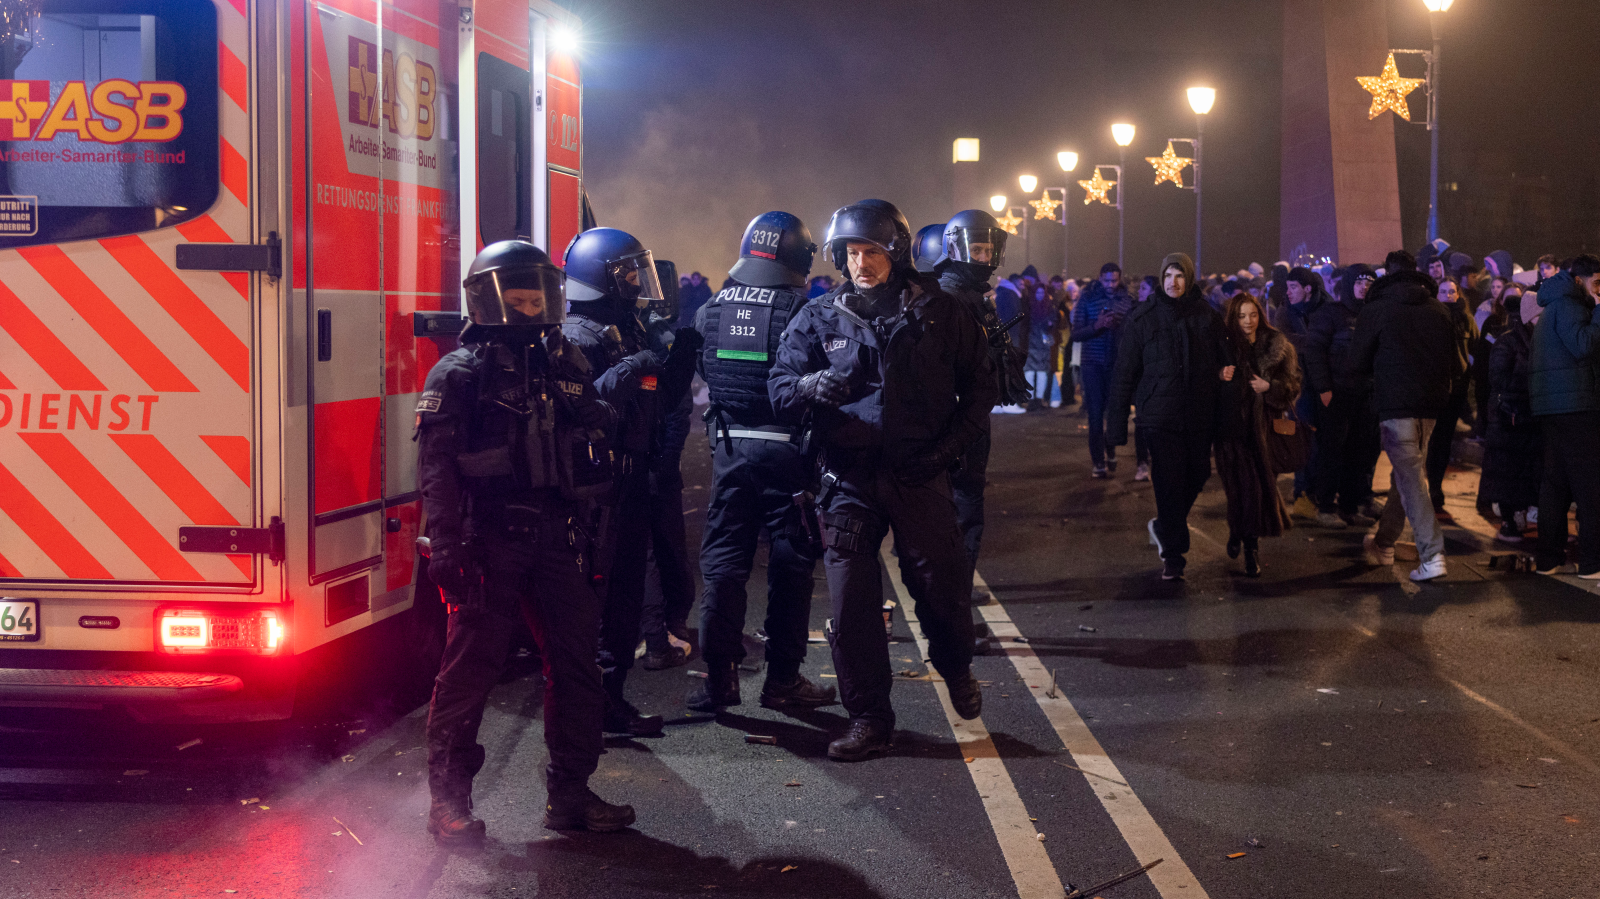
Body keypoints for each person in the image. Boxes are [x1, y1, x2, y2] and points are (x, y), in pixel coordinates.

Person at [418, 240, 634, 843]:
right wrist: (448, 547)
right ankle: (448, 804)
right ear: (489, 299)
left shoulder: (563, 363)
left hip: (556, 539)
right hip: (488, 543)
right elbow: (436, 471)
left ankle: (570, 794)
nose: (532, 306)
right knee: (468, 676)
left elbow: (596, 434)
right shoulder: (458, 375)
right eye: (518, 296)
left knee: (576, 668)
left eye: (538, 294)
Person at [770, 201, 995, 761]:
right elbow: (779, 388)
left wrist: (943, 454)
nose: (860, 263)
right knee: (851, 609)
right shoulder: (819, 316)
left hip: (919, 474)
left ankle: (955, 664)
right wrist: (813, 386)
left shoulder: (942, 313)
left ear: (895, 252)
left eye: (871, 250)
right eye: (850, 252)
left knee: (941, 589)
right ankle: (870, 717)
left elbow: (980, 394)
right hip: (848, 480)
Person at [687, 211, 837, 713]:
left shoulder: (710, 309)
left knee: (724, 564)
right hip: (789, 456)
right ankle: (783, 681)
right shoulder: (806, 310)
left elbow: (704, 373)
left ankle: (720, 681)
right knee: (791, 566)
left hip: (730, 452)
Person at [562, 227, 701, 737]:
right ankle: (587, 712)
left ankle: (612, 702)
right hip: (599, 492)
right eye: (626, 273)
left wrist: (678, 367)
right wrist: (627, 373)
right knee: (595, 607)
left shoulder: (628, 330)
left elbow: (655, 407)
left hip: (633, 481)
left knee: (624, 602)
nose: (636, 282)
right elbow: (576, 408)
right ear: (602, 278)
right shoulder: (576, 336)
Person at [1107, 253, 1231, 580]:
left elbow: (1225, 363)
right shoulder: (1142, 318)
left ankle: (1164, 526)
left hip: (1198, 414)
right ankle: (1174, 556)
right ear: (1160, 279)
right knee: (1168, 483)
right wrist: (1116, 426)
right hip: (1158, 416)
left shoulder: (1207, 316)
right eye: (1168, 276)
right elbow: (1124, 373)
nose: (1173, 283)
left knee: (1199, 473)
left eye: (1179, 276)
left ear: (1188, 279)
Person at [921, 209, 1024, 604]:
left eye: (987, 249)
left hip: (969, 425)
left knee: (963, 519)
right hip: (957, 429)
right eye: (975, 249)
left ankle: (952, 601)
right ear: (954, 249)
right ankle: (953, 612)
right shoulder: (950, 299)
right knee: (960, 521)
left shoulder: (970, 297)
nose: (983, 258)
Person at [1350, 251, 1462, 582]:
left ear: (1388, 273)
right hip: (1430, 406)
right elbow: (1457, 363)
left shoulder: (1377, 309)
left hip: (1394, 405)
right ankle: (1385, 543)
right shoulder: (1439, 309)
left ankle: (1432, 554)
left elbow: (1356, 362)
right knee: (1408, 476)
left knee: (1411, 478)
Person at [1214, 293, 1298, 576]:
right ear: (1233, 318)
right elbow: (1203, 380)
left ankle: (1250, 548)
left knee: (1254, 490)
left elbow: (1293, 384)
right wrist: (1219, 374)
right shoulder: (1222, 345)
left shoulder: (1277, 345)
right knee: (1237, 490)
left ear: (1260, 315)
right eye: (1241, 316)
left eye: (1252, 315)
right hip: (1229, 429)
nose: (1247, 322)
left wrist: (1271, 387)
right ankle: (1239, 532)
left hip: (1262, 432)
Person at [1528, 255, 1600, 576]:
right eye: (1596, 283)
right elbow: (1583, 345)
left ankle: (1549, 558)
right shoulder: (1571, 305)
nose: (1599, 290)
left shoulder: (1556, 303)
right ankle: (1592, 563)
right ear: (1578, 280)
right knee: (1589, 486)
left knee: (1555, 485)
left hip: (1555, 405)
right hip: (1575, 405)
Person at [1303, 263, 1382, 528]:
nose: (1363, 288)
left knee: (1359, 453)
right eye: (1359, 283)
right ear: (1348, 285)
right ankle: (1326, 506)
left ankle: (1350, 506)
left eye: (1369, 283)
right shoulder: (1331, 314)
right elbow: (1313, 351)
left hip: (1366, 396)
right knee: (1331, 452)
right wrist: (1324, 389)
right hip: (1336, 395)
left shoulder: (1374, 315)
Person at [1480, 289, 1542, 543]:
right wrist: (1529, 384)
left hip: (1530, 415)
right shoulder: (1507, 341)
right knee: (1507, 470)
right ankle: (1509, 519)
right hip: (1509, 416)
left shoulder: (1540, 340)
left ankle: (1520, 511)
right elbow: (1497, 379)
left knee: (1527, 469)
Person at [1424, 276, 1480, 520]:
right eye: (1443, 291)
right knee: (1431, 442)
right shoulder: (1430, 318)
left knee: (1443, 443)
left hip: (1456, 391)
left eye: (1452, 291)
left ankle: (1435, 489)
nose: (1448, 295)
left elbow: (1476, 350)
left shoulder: (1466, 321)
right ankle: (1431, 489)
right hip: (1433, 390)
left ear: (1458, 294)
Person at [1071, 263, 1133, 478]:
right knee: (1095, 415)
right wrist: (1097, 325)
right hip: (1093, 364)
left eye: (1114, 281)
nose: (1110, 285)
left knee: (1114, 413)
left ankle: (1111, 450)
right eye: (1106, 280)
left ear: (1120, 279)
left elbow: (1133, 335)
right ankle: (1098, 461)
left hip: (1116, 365)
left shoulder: (1127, 301)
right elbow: (1076, 334)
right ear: (1100, 278)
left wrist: (1119, 328)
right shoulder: (1087, 299)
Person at [1279, 267, 1330, 521]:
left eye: (1293, 288)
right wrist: (1318, 341)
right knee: (1303, 440)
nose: (1287, 293)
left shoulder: (1327, 308)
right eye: (1287, 287)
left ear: (1308, 289)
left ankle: (1322, 494)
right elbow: (1285, 342)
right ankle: (1303, 495)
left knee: (1326, 443)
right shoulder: (1285, 311)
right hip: (1299, 386)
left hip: (1326, 384)